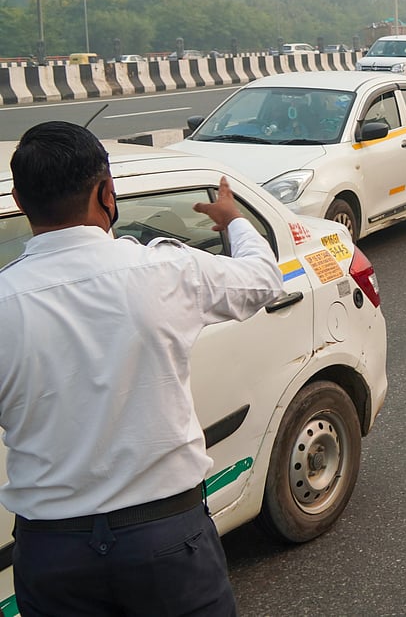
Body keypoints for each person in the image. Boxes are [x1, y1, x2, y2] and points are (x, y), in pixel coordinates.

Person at [0, 121, 284, 615]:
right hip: (167, 538)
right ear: (106, 192)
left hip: (53, 552)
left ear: (20, 201)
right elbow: (263, 280)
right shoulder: (165, 271)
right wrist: (233, 222)